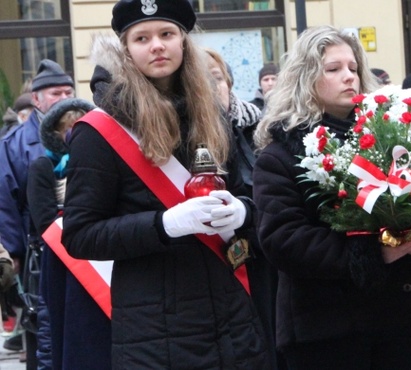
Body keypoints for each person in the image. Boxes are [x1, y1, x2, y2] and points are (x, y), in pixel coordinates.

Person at [61, 0, 270, 368]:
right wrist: (164, 224)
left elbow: (245, 193)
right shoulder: (99, 132)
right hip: (154, 335)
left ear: (184, 42)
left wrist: (242, 211)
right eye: (142, 38)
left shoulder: (212, 114)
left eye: (167, 34)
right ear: (126, 50)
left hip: (232, 321)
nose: (157, 45)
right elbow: (80, 235)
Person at [252, 25, 411, 370]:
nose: (348, 77)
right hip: (327, 329)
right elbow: (283, 239)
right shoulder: (280, 155)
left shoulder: (393, 137)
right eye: (333, 69)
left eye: (353, 68)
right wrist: (373, 253)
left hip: (398, 319)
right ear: (305, 78)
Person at [204, 47, 283, 370]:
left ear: (230, 84)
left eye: (217, 78)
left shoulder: (260, 128)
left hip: (265, 256)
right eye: (203, 81)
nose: (212, 87)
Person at [26, 97, 111, 370]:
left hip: (103, 257)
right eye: (69, 128)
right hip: (63, 263)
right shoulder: (43, 167)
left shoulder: (102, 160)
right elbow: (44, 222)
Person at [0, 58, 74, 369]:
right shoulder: (13, 144)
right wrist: (12, 252)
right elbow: (5, 199)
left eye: (68, 91)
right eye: (56, 93)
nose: (64, 99)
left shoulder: (86, 132)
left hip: (85, 246)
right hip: (37, 255)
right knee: (42, 333)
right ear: (36, 99)